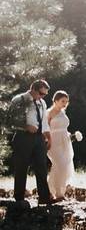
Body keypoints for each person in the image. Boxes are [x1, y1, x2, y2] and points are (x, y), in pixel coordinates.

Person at [8, 79, 52, 208]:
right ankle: (19, 198)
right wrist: (26, 126)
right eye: (41, 93)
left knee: (42, 167)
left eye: (45, 94)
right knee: (22, 167)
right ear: (33, 89)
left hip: (39, 138)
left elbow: (44, 121)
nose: (43, 96)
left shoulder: (42, 102)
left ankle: (44, 197)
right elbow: (9, 119)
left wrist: (48, 137)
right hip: (23, 137)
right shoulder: (19, 100)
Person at [46, 90, 77, 202]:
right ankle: (54, 192)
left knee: (62, 167)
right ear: (56, 100)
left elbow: (64, 129)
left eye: (66, 102)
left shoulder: (63, 113)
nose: (65, 104)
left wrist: (72, 136)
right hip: (53, 142)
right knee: (59, 164)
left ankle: (56, 193)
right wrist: (47, 140)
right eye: (63, 101)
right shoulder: (49, 112)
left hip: (65, 142)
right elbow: (45, 128)